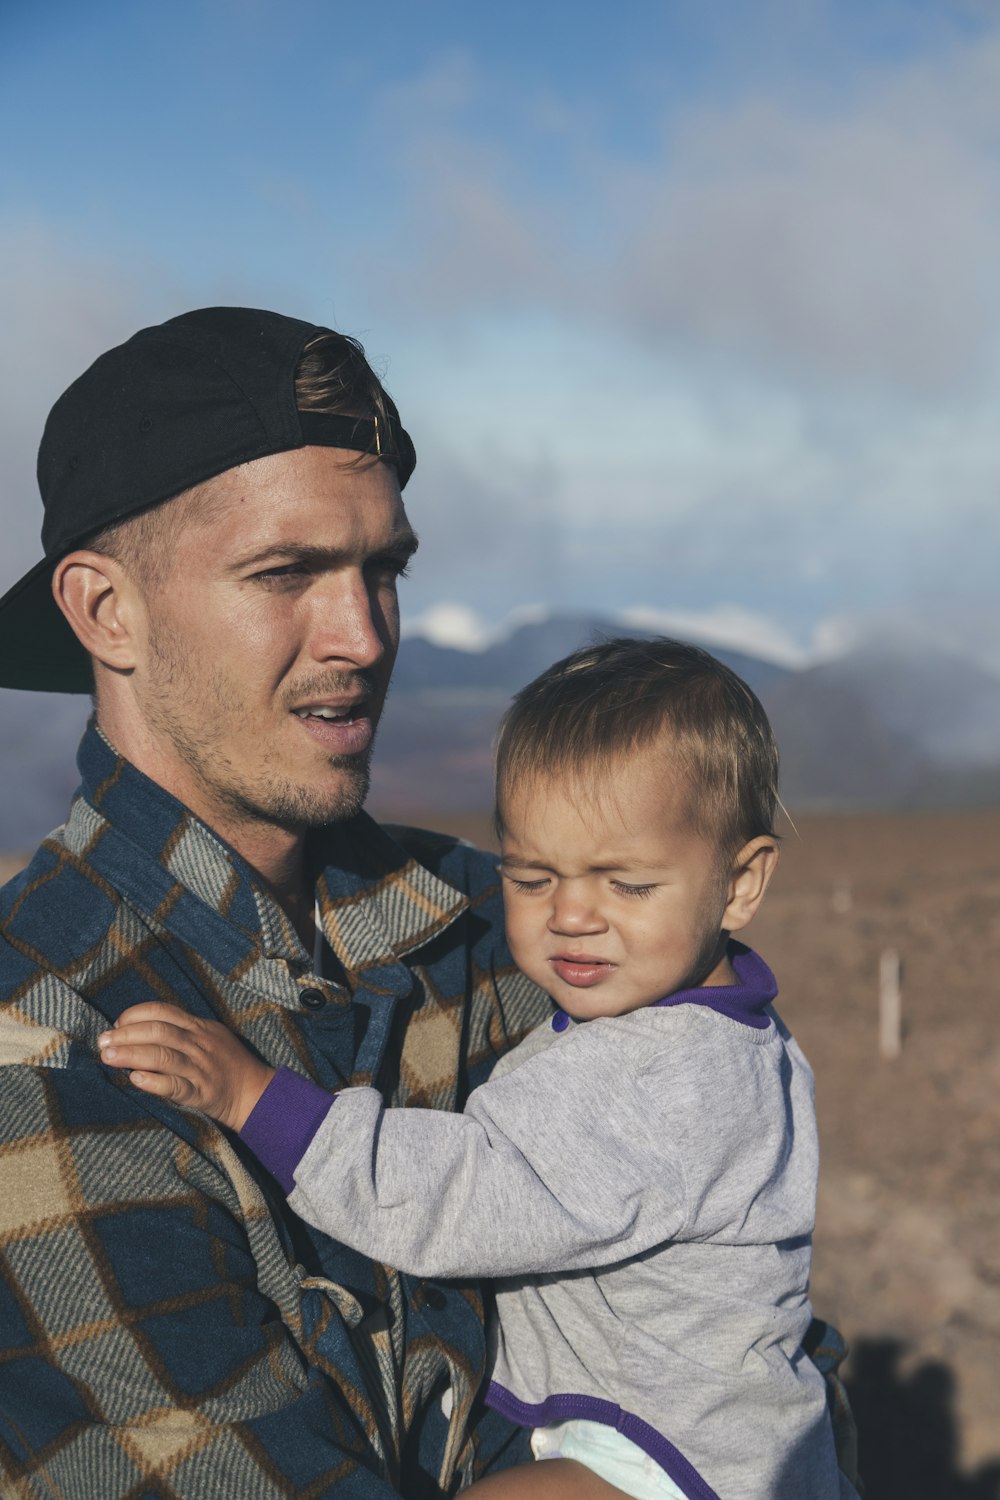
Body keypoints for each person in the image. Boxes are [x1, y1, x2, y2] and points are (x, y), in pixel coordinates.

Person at [0, 307, 584, 1498]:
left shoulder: (493, 925)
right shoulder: (39, 1029)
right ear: (107, 612)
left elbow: (765, 1361)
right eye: (285, 573)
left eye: (383, 569)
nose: (363, 636)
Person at [98, 638, 861, 1500]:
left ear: (742, 883)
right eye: (532, 878)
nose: (573, 915)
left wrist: (256, 1098)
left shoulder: (667, 1080)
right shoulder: (723, 1026)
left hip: (666, 1458)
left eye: (628, 886)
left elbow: (465, 1194)